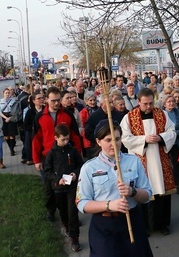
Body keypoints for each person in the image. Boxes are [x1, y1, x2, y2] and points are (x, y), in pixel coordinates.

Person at [76, 120, 153, 256]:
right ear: (98, 142)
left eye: (117, 139)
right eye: (108, 140)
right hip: (104, 226)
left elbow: (147, 194)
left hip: (131, 221)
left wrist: (132, 191)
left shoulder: (133, 161)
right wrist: (109, 205)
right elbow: (82, 203)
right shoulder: (89, 168)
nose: (114, 144)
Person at [121, 88, 177, 235]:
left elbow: (172, 132)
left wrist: (161, 138)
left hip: (159, 160)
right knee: (142, 191)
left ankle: (162, 224)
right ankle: (144, 226)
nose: (149, 107)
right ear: (138, 102)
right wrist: (144, 139)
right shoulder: (129, 118)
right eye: (145, 104)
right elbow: (125, 139)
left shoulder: (162, 114)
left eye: (151, 103)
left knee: (161, 192)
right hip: (141, 160)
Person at [32, 86, 83, 222]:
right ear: (46, 100)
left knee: (68, 188)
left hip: (66, 158)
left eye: (58, 100)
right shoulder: (40, 117)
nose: (56, 103)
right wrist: (36, 160)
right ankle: (51, 210)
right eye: (53, 100)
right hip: (48, 158)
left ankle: (72, 216)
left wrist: (78, 154)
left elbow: (75, 137)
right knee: (50, 189)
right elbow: (36, 139)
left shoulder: (67, 115)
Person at [44, 124, 84, 252]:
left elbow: (81, 165)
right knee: (63, 211)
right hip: (58, 188)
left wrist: (75, 174)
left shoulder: (72, 151)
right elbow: (47, 171)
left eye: (67, 138)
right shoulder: (51, 154)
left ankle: (74, 237)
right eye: (63, 139)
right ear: (56, 138)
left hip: (72, 187)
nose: (66, 141)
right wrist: (57, 179)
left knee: (73, 212)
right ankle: (66, 227)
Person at [23, 92, 45, 166]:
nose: (41, 100)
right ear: (34, 101)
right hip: (34, 133)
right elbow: (25, 125)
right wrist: (33, 128)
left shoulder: (46, 110)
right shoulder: (30, 112)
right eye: (39, 98)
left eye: (42, 98)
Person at [0, 88, 22, 156]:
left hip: (11, 117)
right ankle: (10, 147)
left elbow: (15, 110)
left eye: (8, 93)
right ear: (3, 93)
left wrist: (10, 118)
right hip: (3, 118)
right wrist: (5, 118)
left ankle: (12, 150)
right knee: (6, 136)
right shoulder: (0, 101)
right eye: (6, 93)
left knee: (12, 135)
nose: (7, 94)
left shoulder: (13, 100)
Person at [79, 91, 99, 158]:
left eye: (94, 100)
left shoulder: (99, 110)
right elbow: (81, 126)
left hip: (99, 137)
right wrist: (88, 135)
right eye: (90, 100)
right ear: (86, 101)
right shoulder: (83, 112)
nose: (93, 102)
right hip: (88, 140)